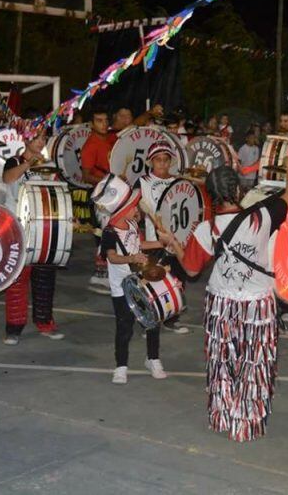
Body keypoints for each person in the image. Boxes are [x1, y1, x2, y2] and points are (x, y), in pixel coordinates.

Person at [167, 156, 288, 442]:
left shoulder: (206, 229)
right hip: (257, 302)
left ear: (211, 196)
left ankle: (222, 416)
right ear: (239, 191)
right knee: (254, 362)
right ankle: (246, 425)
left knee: (222, 361)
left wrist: (178, 247)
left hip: (221, 302)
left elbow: (190, 270)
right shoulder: (263, 217)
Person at [94, 174, 175, 384]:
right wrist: (131, 258)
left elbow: (140, 244)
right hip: (121, 288)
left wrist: (162, 244)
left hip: (141, 282)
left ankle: (153, 359)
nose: (136, 209)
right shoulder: (109, 233)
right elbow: (111, 256)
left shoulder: (130, 224)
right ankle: (121, 366)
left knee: (152, 321)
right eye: (133, 206)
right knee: (125, 326)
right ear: (122, 210)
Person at [1, 129, 66, 345]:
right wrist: (30, 163)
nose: (41, 142)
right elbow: (9, 178)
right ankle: (14, 328)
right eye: (37, 138)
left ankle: (45, 322)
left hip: (43, 229)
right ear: (26, 139)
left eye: (44, 139)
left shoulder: (48, 165)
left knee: (44, 280)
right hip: (18, 228)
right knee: (17, 280)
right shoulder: (13, 161)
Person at [134, 141, 190, 335]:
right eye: (158, 160)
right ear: (151, 161)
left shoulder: (179, 181)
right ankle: (148, 321)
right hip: (154, 239)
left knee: (176, 279)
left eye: (166, 160)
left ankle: (172, 318)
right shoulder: (142, 182)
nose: (162, 164)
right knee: (152, 279)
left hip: (177, 239)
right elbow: (136, 208)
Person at [81, 108, 117, 294]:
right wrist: (108, 183)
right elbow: (86, 175)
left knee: (112, 233)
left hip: (112, 194)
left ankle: (106, 275)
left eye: (105, 120)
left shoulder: (110, 139)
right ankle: (100, 276)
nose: (103, 123)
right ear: (91, 124)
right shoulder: (90, 145)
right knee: (106, 234)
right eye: (99, 120)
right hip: (101, 196)